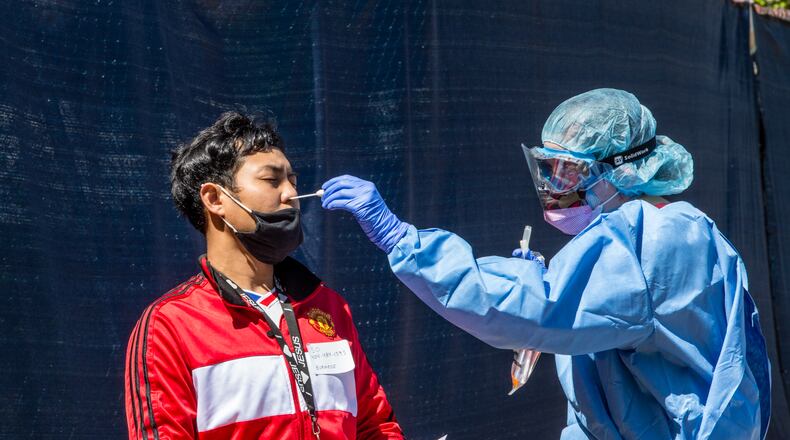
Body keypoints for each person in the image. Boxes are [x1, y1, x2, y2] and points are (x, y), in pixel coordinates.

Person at [320, 89, 771, 439]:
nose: (555, 186)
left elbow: (531, 307)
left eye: (569, 172)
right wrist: (551, 281)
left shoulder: (652, 240)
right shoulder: (661, 229)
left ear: (622, 170)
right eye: (548, 169)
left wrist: (402, 239)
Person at [124, 112, 403, 440]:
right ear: (215, 199)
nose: (290, 195)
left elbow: (375, 426)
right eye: (272, 180)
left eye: (293, 181)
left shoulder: (329, 306)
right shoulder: (170, 325)